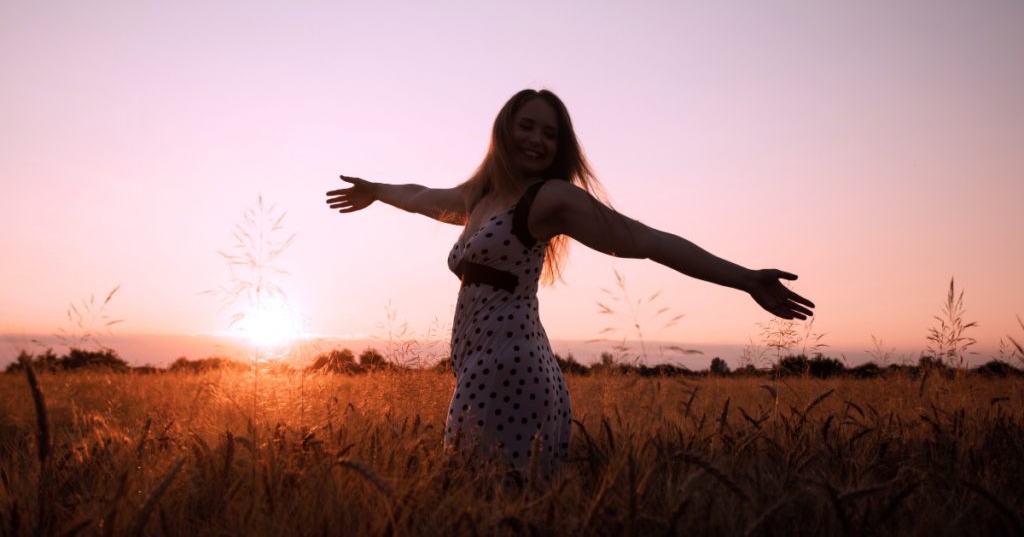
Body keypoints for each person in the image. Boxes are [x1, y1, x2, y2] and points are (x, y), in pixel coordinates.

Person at [326, 88, 813, 476]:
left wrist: (745, 278)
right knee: (479, 499)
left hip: (511, 370)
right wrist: (377, 191)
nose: (537, 139)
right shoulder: (482, 195)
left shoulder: (550, 198)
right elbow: (421, 195)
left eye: (550, 134)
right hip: (478, 367)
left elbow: (645, 239)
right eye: (527, 126)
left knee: (494, 499)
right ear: (503, 131)